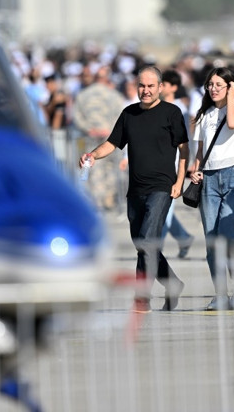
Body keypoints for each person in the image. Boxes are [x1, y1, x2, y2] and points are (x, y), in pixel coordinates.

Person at [79, 66, 188, 313]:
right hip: (135, 189)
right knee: (143, 243)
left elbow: (184, 150)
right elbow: (112, 143)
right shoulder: (129, 113)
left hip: (162, 186)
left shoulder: (172, 113)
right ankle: (173, 284)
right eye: (142, 86)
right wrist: (93, 155)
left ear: (160, 87)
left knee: (148, 241)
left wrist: (180, 181)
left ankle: (142, 298)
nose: (146, 90)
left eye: (151, 86)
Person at [190, 67, 234, 310]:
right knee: (212, 239)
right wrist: (194, 170)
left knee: (228, 227)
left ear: (230, 87)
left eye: (219, 84)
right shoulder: (203, 115)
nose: (213, 89)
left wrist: (232, 97)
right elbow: (200, 151)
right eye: (210, 85)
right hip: (209, 179)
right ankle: (220, 293)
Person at [73, 65, 124, 210]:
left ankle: (97, 199)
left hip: (89, 136)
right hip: (110, 136)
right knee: (110, 166)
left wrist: (89, 129)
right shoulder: (114, 96)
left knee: (91, 166)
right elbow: (120, 116)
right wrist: (109, 130)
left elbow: (77, 117)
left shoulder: (82, 95)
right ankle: (108, 197)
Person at [160, 70, 194, 257]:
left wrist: (189, 162)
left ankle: (156, 249)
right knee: (164, 207)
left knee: (164, 207)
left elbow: (187, 139)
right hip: (158, 162)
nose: (161, 87)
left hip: (174, 164)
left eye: (164, 83)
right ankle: (183, 238)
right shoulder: (156, 106)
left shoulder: (181, 109)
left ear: (173, 87)